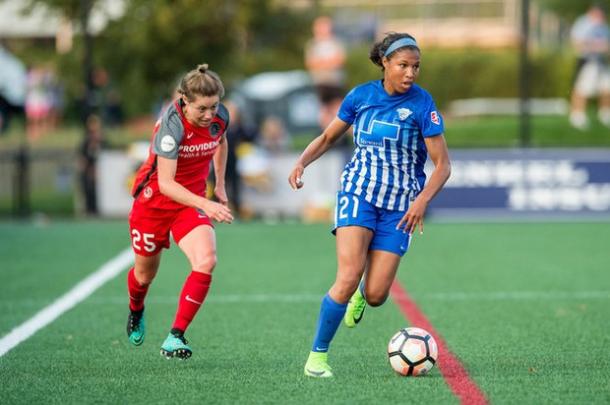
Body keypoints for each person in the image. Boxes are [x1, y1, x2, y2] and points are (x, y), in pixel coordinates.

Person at [288, 33, 451, 378]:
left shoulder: (423, 104)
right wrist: (303, 161)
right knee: (346, 276)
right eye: (403, 65)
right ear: (385, 63)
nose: (410, 73)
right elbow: (329, 136)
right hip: (358, 193)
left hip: (400, 207)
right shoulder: (360, 96)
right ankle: (317, 358)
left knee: (376, 294)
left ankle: (363, 294)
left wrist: (421, 201)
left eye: (416, 66)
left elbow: (443, 166)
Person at [126, 63, 233, 360]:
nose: (210, 115)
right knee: (144, 276)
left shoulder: (220, 117)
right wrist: (208, 204)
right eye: (202, 109)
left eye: (214, 107)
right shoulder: (171, 127)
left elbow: (221, 141)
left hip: (190, 204)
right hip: (155, 205)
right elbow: (166, 184)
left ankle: (175, 336)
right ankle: (136, 308)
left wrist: (220, 185)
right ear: (184, 101)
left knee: (207, 259)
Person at [569, 3, 610, 130]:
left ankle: (605, 113)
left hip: (600, 61)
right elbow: (577, 43)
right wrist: (596, 46)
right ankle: (577, 115)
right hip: (586, 61)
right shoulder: (583, 24)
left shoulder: (603, 26)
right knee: (582, 88)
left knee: (606, 87)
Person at [78, 114, 106, 215]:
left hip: (101, 171)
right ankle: (89, 210)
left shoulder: (103, 141)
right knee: (88, 187)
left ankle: (98, 210)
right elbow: (83, 158)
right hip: (89, 171)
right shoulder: (86, 141)